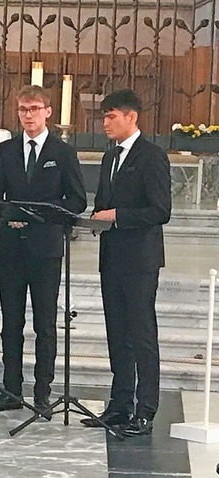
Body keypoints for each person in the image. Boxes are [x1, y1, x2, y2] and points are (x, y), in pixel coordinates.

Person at [0, 85, 87, 415]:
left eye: (34, 109)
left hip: (45, 248)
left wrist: (42, 215)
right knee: (10, 323)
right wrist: (5, 218)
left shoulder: (63, 152)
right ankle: (11, 390)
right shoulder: (6, 150)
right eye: (23, 109)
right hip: (11, 248)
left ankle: (43, 391)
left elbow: (77, 200)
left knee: (45, 324)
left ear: (48, 112)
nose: (28, 115)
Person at [81, 89, 171, 436]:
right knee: (117, 334)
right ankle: (120, 405)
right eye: (103, 116)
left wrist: (116, 215)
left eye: (111, 116)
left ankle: (145, 409)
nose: (105, 123)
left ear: (131, 117)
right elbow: (103, 203)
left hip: (139, 260)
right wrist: (94, 219)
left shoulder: (151, 156)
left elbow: (160, 210)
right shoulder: (110, 157)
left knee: (141, 334)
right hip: (112, 257)